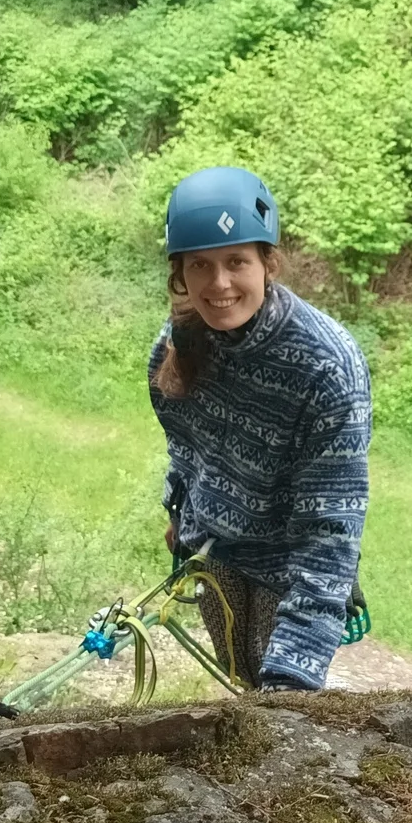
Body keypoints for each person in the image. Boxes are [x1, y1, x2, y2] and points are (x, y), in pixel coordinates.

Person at [149, 166, 372, 692]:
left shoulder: (326, 366)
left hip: (289, 562)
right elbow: (186, 445)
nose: (219, 284)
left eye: (236, 262)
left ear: (268, 263)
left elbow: (329, 528)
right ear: (180, 273)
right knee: (241, 682)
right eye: (200, 265)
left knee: (277, 694)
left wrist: (295, 669)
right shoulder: (178, 342)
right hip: (216, 553)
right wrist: (181, 514)